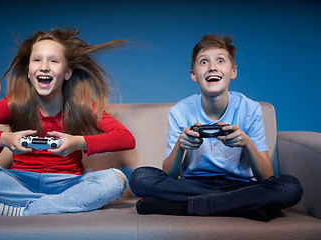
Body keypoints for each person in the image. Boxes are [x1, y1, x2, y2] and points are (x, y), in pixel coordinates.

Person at [0, 27, 135, 216]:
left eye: (53, 60)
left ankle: (22, 211)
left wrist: (77, 143)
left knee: (115, 180)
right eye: (37, 60)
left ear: (67, 73)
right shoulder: (13, 103)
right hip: (19, 182)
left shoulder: (83, 106)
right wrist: (6, 139)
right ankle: (48, 207)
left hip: (68, 184)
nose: (44, 66)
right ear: (28, 72)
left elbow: (126, 138)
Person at [129, 34, 303, 221]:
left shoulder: (250, 109)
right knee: (140, 177)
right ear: (193, 74)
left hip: (241, 185)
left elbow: (266, 176)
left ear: (233, 71)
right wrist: (180, 146)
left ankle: (188, 207)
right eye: (203, 62)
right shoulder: (179, 111)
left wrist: (247, 143)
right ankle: (242, 208)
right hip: (193, 186)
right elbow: (169, 175)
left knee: (290, 186)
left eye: (220, 60)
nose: (212, 67)